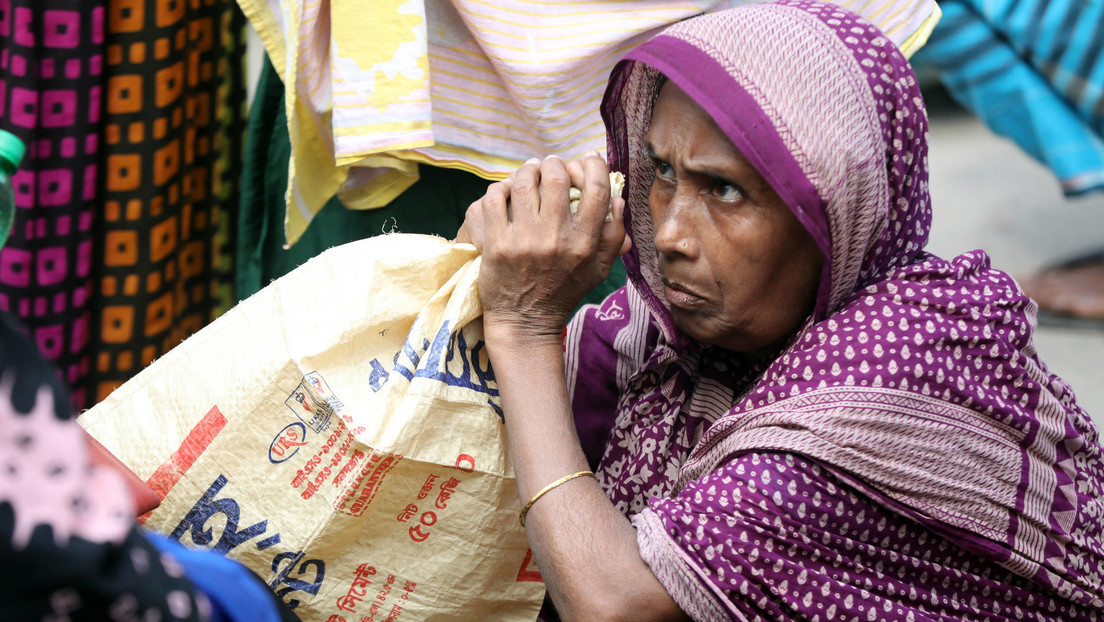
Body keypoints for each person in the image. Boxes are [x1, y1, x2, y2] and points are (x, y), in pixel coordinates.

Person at [456, 1, 1104, 620]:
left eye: (725, 190)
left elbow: (619, 605)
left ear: (832, 213)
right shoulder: (677, 335)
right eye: (660, 171)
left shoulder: (887, 373)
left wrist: (523, 329)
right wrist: (471, 269)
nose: (671, 234)